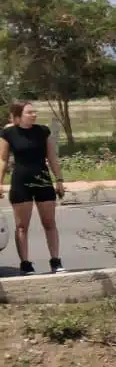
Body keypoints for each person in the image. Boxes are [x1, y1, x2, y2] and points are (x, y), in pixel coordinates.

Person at [1, 101, 66, 274]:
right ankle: (25, 263)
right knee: (22, 226)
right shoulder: (9, 133)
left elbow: (52, 157)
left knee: (49, 222)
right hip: (21, 182)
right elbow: (2, 160)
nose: (34, 114)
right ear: (18, 116)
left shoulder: (42, 131)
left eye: (34, 112)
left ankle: (56, 261)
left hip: (42, 180)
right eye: (29, 112)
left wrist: (59, 179)